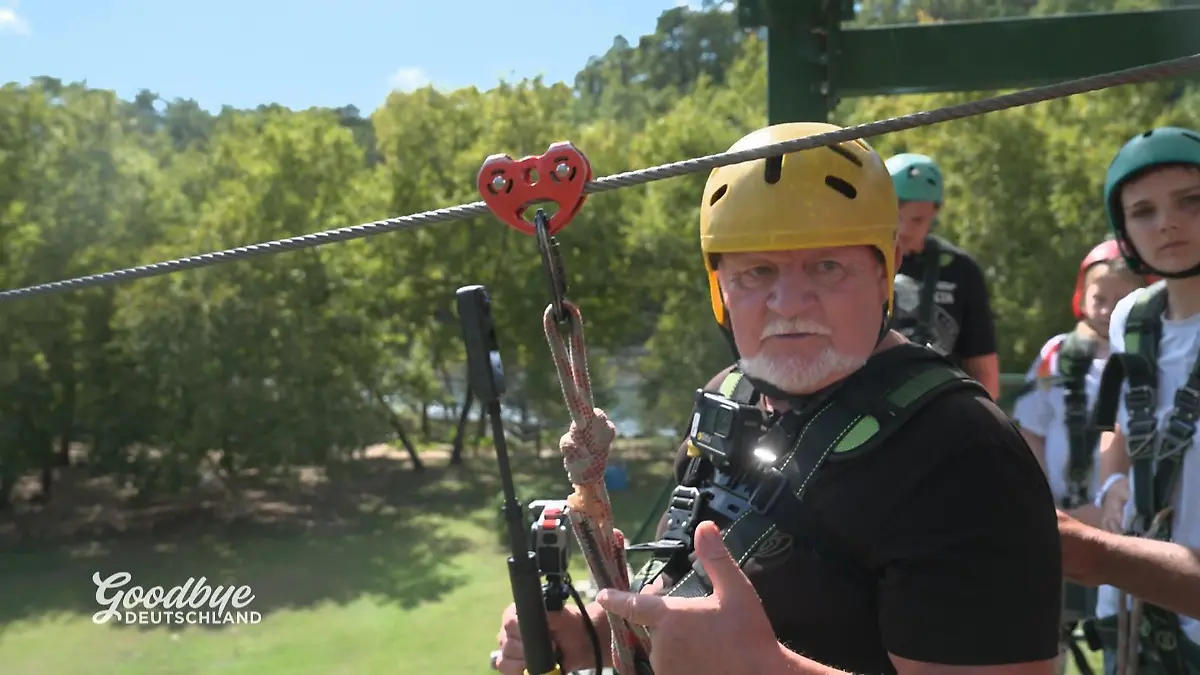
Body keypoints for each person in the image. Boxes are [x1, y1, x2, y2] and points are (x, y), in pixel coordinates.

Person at [492, 122, 1061, 675]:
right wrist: (591, 631)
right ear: (720, 287)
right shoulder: (729, 397)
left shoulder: (960, 452)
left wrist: (766, 670)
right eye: (757, 271)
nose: (789, 302)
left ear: (883, 269)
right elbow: (685, 589)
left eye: (827, 266)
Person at [1084, 126, 1200, 675]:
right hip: (1139, 592)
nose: (1168, 223)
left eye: (1190, 201)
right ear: (1124, 229)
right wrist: (1112, 484)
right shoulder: (1134, 317)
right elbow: (1124, 427)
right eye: (1143, 211)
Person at [1011, 239, 1146, 675]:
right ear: (1081, 299)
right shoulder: (1058, 355)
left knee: (1120, 626)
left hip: (1120, 516)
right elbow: (1029, 431)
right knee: (1048, 626)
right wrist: (1042, 505)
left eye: (1121, 300)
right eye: (1099, 298)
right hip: (1059, 514)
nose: (1108, 310)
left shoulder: (1147, 358)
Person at [886, 153, 1001, 399]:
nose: (905, 229)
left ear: (935, 214)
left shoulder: (960, 271)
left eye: (917, 219)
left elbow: (984, 369)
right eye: (896, 216)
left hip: (940, 405)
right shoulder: (853, 265)